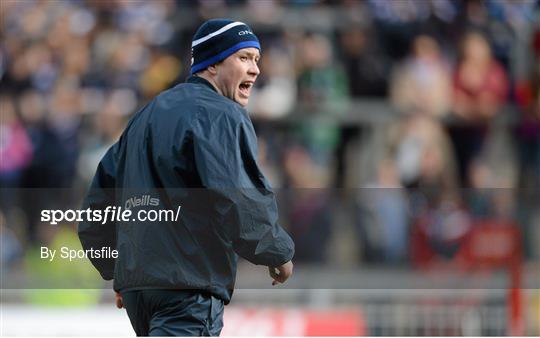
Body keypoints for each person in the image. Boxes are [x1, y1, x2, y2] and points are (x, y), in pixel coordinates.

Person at [78, 19, 295, 336]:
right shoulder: (221, 113)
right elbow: (236, 196)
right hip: (187, 288)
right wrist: (277, 252)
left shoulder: (144, 117)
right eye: (244, 57)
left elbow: (96, 210)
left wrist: (120, 270)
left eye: (257, 60)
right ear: (213, 63)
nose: (256, 69)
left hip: (140, 292)